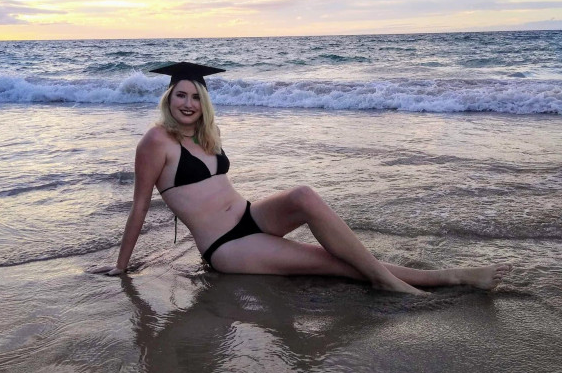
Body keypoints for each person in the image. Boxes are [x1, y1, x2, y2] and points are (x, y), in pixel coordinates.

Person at [91, 62, 509, 294]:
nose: (188, 103)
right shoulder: (155, 141)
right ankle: (444, 278)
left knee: (305, 195)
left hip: (250, 216)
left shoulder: (205, 136)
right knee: (332, 264)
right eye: (180, 95)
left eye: (196, 96)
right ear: (169, 98)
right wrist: (121, 267)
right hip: (227, 247)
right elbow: (140, 207)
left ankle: (428, 276)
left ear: (204, 102)